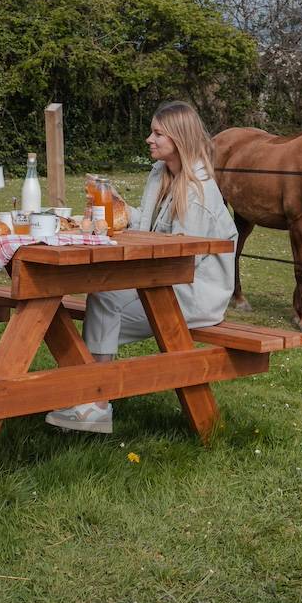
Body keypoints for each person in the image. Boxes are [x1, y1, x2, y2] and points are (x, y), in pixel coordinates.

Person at [45, 101, 236, 435]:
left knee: (105, 299)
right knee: (102, 295)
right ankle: (91, 394)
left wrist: (123, 269)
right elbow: (150, 225)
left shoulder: (199, 192)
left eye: (157, 133)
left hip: (194, 293)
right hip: (164, 282)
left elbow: (179, 258)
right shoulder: (161, 173)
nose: (149, 138)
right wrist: (116, 203)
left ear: (178, 138)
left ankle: (95, 400)